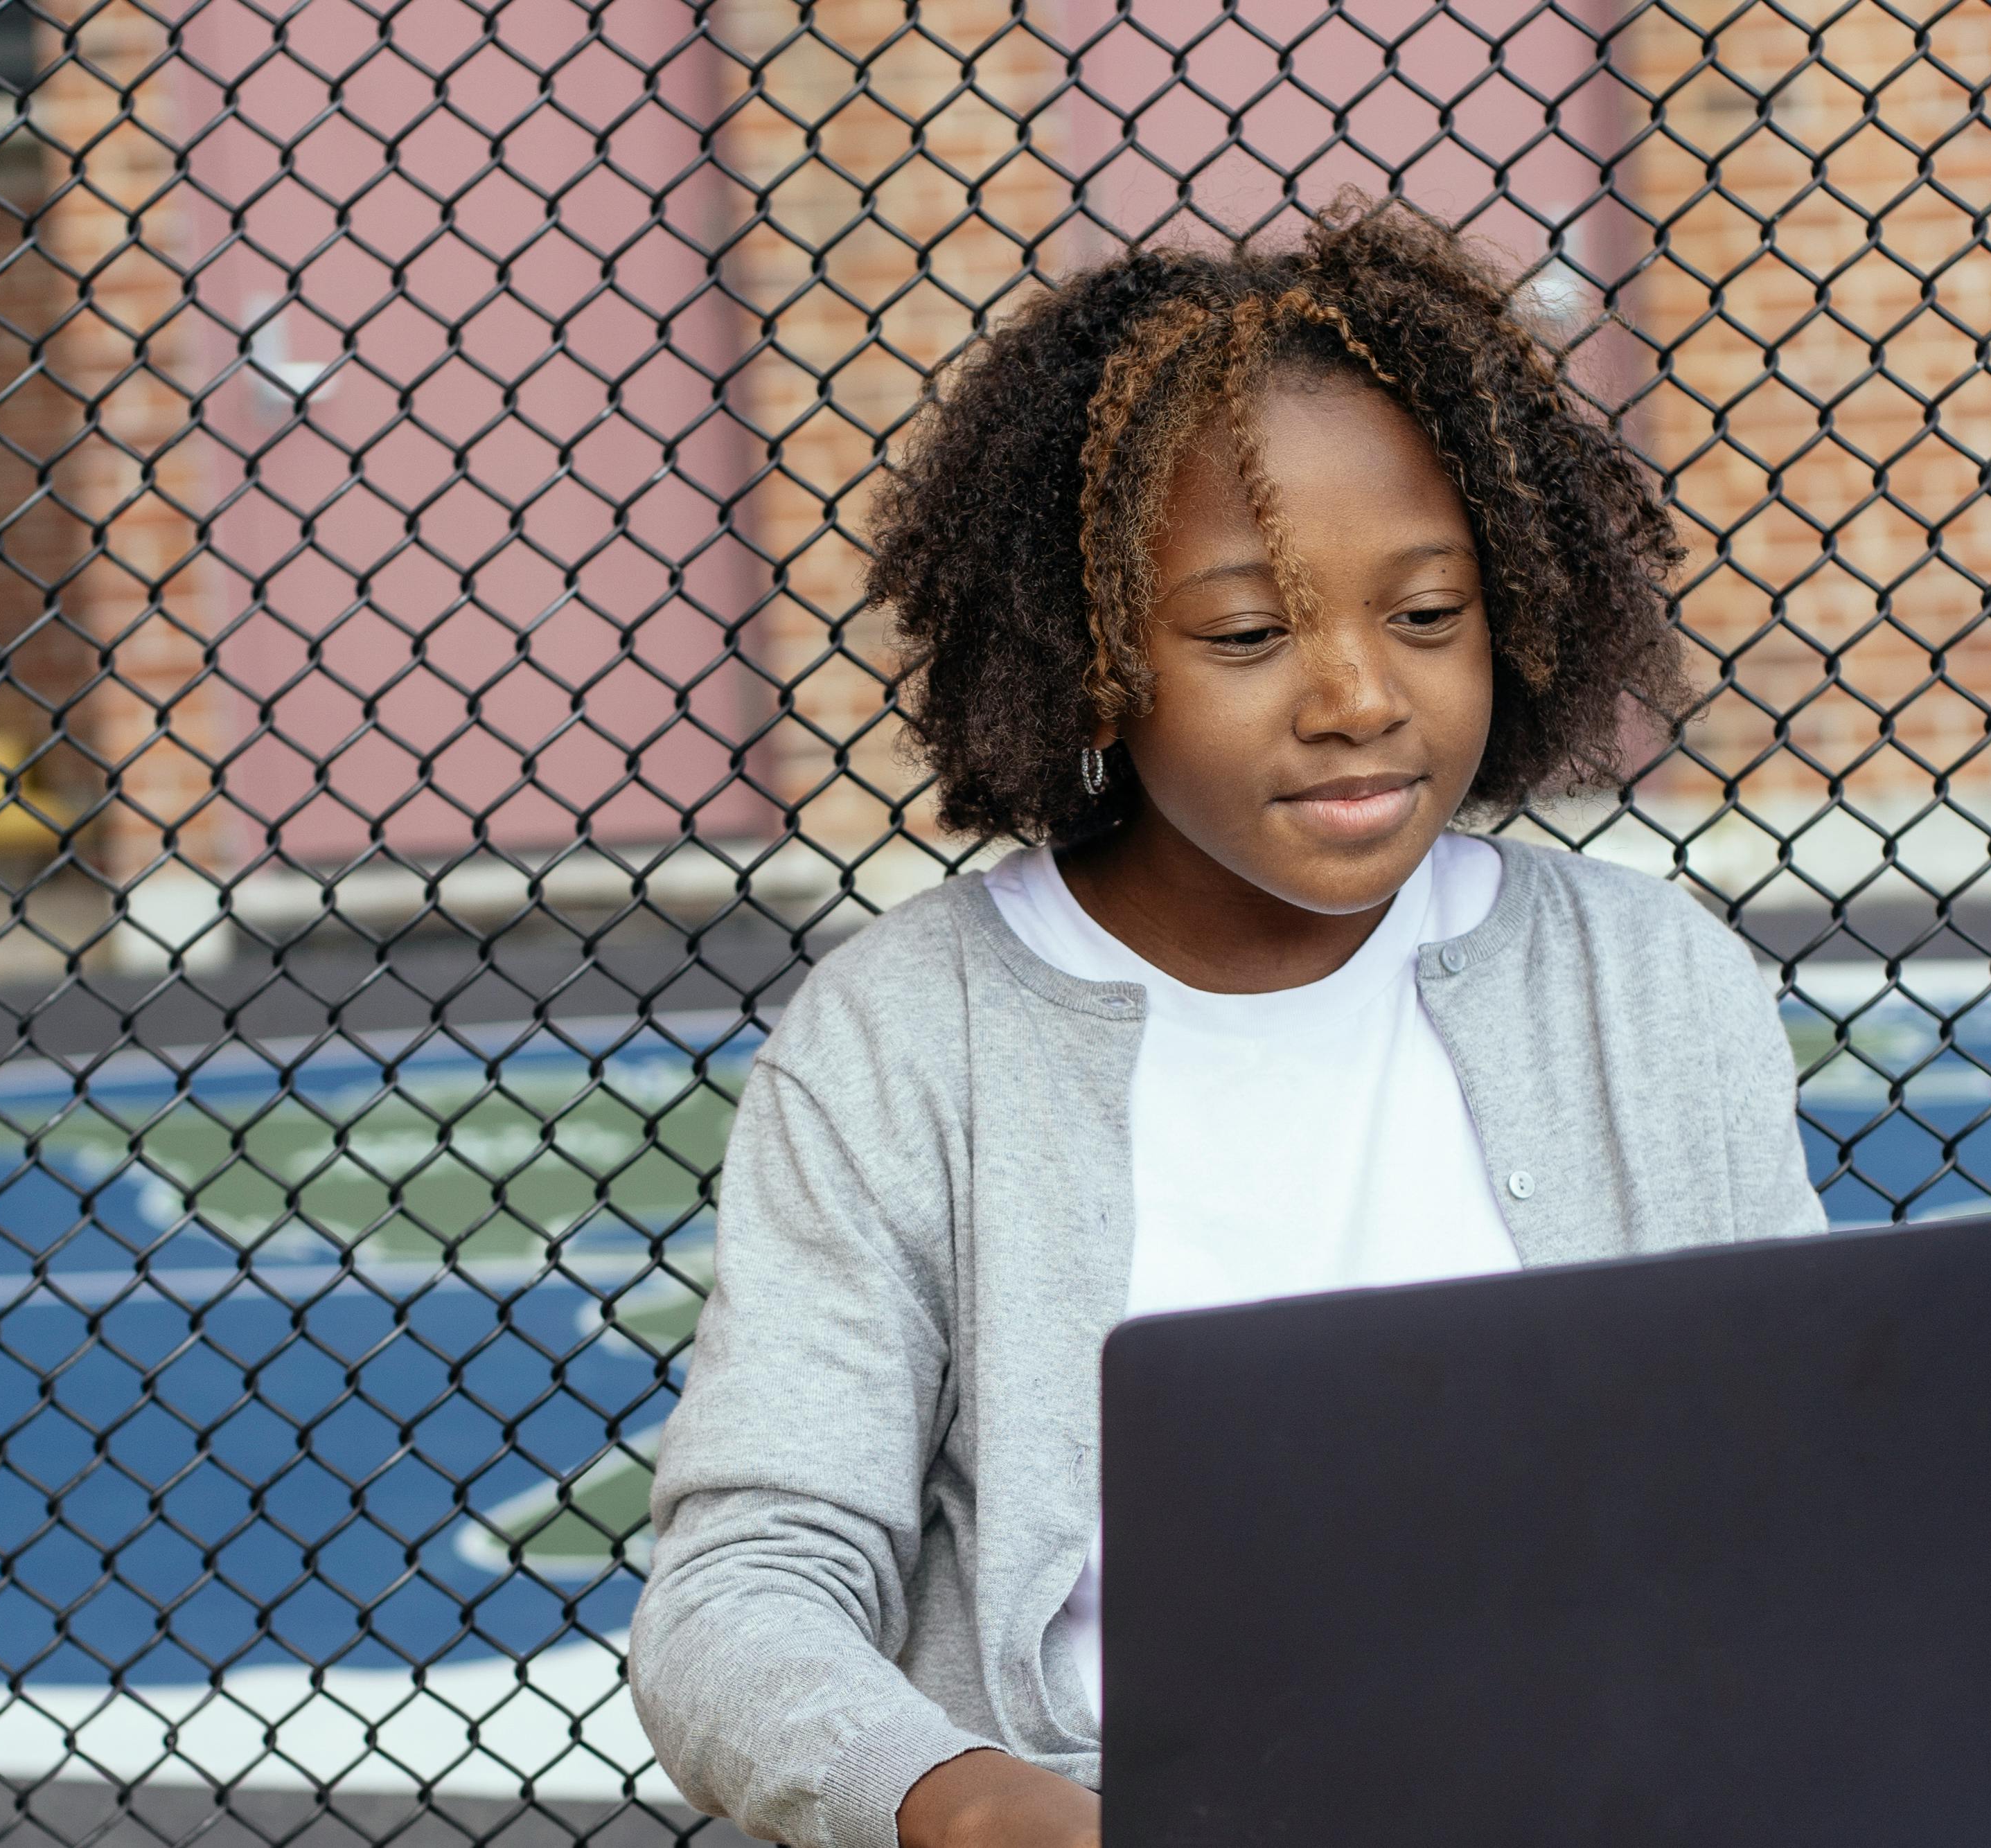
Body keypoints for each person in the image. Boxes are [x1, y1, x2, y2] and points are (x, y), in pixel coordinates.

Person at [623, 196, 1828, 1848]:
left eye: (1427, 614)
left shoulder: (1645, 979)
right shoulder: (909, 1036)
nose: (1357, 697)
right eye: (1250, 634)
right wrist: (962, 1801)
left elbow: (1795, 1473)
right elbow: (743, 1585)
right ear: (1093, 654)